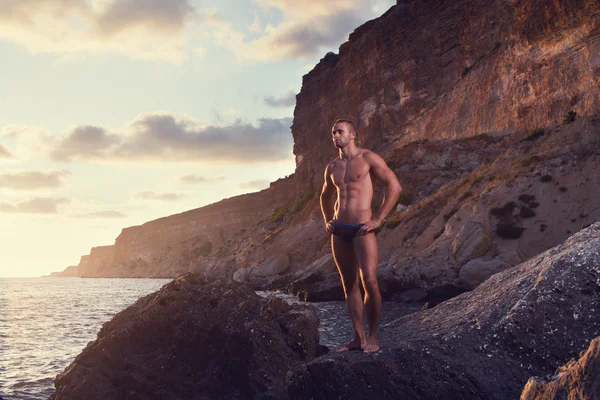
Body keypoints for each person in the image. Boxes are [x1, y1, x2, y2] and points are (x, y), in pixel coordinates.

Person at [320, 118, 402, 353]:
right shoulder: (332, 167)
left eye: (340, 132)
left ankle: (373, 337)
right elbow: (325, 196)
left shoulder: (368, 158)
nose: (336, 136)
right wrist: (328, 219)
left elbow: (394, 186)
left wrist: (378, 219)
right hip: (339, 231)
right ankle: (359, 338)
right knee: (349, 285)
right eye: (333, 132)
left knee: (370, 280)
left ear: (352, 134)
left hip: (362, 228)